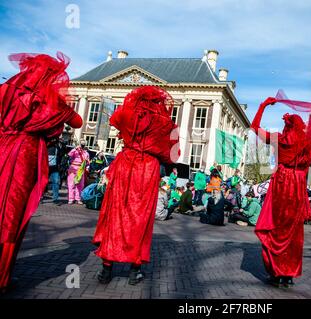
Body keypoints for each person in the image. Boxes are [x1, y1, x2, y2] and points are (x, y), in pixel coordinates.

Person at [0, 52, 82, 293]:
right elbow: (77, 121)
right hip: (24, 152)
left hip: (2, 146)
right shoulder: (49, 101)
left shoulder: (7, 89)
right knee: (13, 213)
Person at [93, 85, 179, 286]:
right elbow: (174, 156)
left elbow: (114, 119)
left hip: (125, 164)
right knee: (141, 219)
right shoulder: (168, 124)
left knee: (116, 215)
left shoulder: (127, 114)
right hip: (148, 169)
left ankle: (106, 268)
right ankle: (135, 270)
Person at [251, 96, 311, 288]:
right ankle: (288, 273)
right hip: (297, 185)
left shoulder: (279, 141)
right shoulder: (309, 143)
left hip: (282, 183)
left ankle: (276, 271)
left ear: (287, 127)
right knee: (294, 231)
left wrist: (263, 105)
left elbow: (255, 127)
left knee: (276, 227)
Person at [47, 137, 65, 203]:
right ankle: (39, 196)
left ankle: (55, 199)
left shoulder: (58, 146)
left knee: (56, 182)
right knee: (42, 182)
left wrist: (62, 145)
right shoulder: (46, 145)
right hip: (45, 167)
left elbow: (62, 154)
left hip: (55, 167)